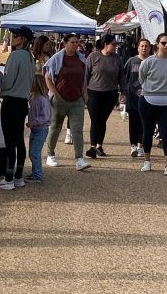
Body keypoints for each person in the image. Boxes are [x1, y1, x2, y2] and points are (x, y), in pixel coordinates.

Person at [0, 26, 36, 190]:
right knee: (18, 141)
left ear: (22, 39)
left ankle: (8, 179)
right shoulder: (30, 57)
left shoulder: (16, 56)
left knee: (10, 141)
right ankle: (18, 177)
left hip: (11, 102)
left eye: (15, 35)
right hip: (23, 102)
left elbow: (8, 82)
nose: (12, 37)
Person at [138, 32, 167, 176]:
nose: (166, 46)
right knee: (148, 130)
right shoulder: (148, 61)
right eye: (163, 43)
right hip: (148, 99)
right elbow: (142, 78)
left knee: (166, 133)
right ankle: (147, 160)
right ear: (157, 44)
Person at [43, 34, 91, 171]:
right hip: (60, 99)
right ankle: (50, 154)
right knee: (55, 127)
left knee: (77, 129)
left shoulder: (81, 59)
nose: (75, 45)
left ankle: (79, 158)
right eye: (72, 42)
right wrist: (55, 94)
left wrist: (84, 95)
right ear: (65, 43)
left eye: (77, 42)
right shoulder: (57, 58)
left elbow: (84, 79)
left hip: (77, 99)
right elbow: (47, 77)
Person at [84, 33, 124, 158]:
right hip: (94, 92)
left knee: (103, 120)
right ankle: (92, 146)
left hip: (110, 93)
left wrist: (123, 91)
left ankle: (99, 145)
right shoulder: (93, 56)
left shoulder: (117, 58)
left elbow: (121, 76)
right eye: (113, 44)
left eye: (116, 44)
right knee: (96, 120)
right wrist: (83, 92)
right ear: (106, 44)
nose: (115, 46)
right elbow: (86, 74)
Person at [123, 38, 152, 157]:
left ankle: (141, 145)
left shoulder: (152, 61)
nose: (144, 48)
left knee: (145, 123)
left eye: (146, 46)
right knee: (133, 122)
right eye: (142, 46)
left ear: (150, 48)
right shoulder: (131, 61)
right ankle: (133, 145)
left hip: (148, 97)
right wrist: (123, 93)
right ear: (138, 47)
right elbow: (125, 76)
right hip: (133, 97)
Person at [25, 73, 52, 182]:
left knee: (34, 153)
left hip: (41, 129)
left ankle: (38, 175)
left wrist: (33, 122)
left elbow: (45, 117)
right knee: (32, 152)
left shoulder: (42, 99)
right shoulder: (33, 97)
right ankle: (35, 172)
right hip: (35, 129)